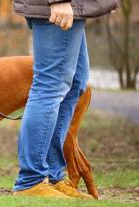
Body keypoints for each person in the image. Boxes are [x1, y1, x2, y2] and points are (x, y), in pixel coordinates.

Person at [12, 0, 118, 199]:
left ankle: (52, 177)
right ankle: (31, 181)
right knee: (50, 86)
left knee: (75, 84)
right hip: (60, 6)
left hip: (73, 6)